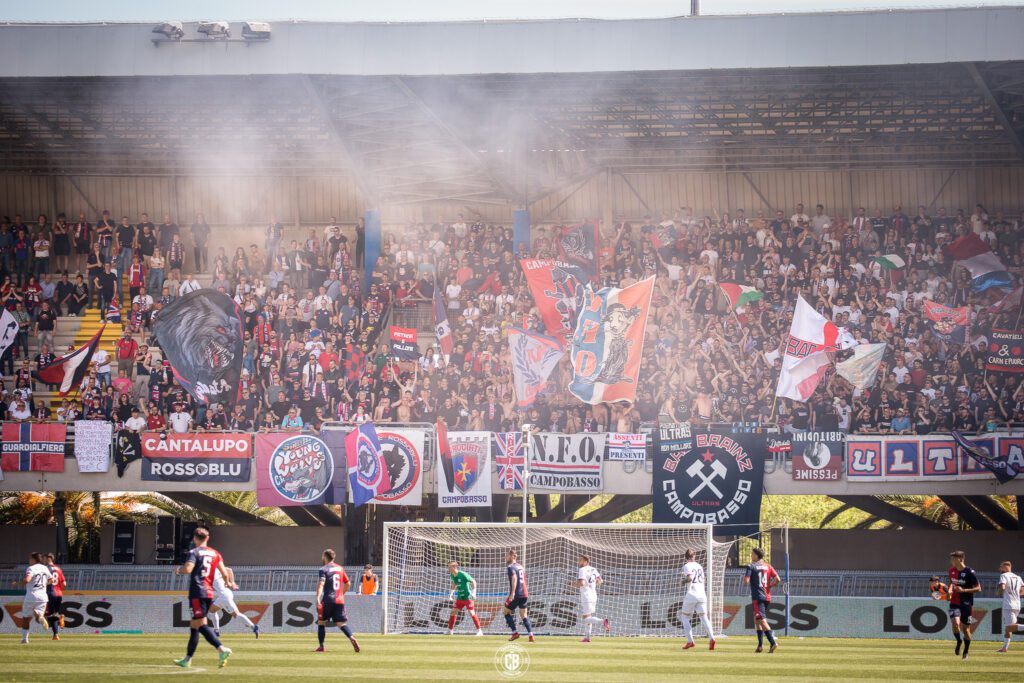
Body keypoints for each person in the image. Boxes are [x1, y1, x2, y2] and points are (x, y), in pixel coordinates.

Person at [173, 527, 232, 669]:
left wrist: (178, 570)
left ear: (194, 538)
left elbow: (188, 569)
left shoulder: (194, 552)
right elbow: (225, 573)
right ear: (207, 538)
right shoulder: (215, 553)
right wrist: (227, 583)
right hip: (208, 593)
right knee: (194, 626)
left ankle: (222, 649)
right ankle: (187, 659)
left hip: (197, 593)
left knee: (200, 625)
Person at [314, 548, 360, 653]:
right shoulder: (340, 568)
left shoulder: (323, 569)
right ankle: (351, 637)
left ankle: (321, 646)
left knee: (321, 622)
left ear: (325, 556)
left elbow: (321, 584)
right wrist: (341, 594)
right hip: (339, 601)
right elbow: (348, 583)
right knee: (341, 623)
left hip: (327, 600)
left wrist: (317, 598)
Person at [208, 565, 260, 639]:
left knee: (236, 615)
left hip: (224, 596)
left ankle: (254, 627)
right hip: (226, 594)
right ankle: (216, 631)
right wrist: (232, 583)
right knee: (212, 610)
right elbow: (229, 570)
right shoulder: (216, 569)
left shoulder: (208, 571)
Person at [743, 547, 779, 653]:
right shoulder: (768, 566)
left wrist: (747, 579)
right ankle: (760, 646)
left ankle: (773, 642)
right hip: (767, 596)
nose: (751, 555)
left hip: (757, 597)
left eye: (752, 554)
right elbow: (777, 579)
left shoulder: (751, 566)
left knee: (762, 620)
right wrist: (770, 585)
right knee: (756, 619)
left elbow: (746, 582)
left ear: (756, 555)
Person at [11, 552, 52, 644]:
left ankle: (25, 639)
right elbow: (51, 580)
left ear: (34, 559)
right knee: (38, 618)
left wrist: (16, 584)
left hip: (31, 597)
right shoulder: (45, 568)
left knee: (26, 618)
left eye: (30, 558)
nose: (29, 560)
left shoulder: (31, 568)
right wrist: (42, 584)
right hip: (43, 597)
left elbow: (27, 580)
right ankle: (40, 618)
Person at [948, 550, 981, 660]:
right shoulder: (951, 570)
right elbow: (952, 583)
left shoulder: (970, 572)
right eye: (951, 558)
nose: (951, 561)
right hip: (954, 602)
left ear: (961, 559)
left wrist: (964, 590)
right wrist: (949, 591)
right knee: (955, 624)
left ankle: (966, 651)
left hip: (966, 603)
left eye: (954, 558)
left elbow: (978, 588)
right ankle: (959, 641)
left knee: (966, 630)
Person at [680, 548, 715, 650]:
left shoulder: (687, 566)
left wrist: (682, 581)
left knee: (684, 617)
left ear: (686, 557)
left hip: (692, 594)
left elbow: (690, 578)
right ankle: (712, 638)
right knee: (704, 617)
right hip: (702, 594)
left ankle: (690, 641)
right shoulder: (699, 566)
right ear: (694, 556)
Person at [575, 555, 609, 643]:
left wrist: (572, 584)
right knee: (588, 616)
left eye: (581, 560)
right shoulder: (594, 569)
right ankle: (587, 637)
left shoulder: (582, 570)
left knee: (586, 618)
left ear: (586, 562)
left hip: (586, 595)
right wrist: (593, 583)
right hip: (594, 595)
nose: (579, 562)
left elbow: (582, 583)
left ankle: (602, 621)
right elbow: (600, 581)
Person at [504, 549, 535, 642]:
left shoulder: (510, 567)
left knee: (506, 612)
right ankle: (531, 635)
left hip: (516, 594)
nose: (506, 557)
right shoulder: (520, 566)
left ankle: (515, 633)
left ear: (512, 556)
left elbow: (514, 578)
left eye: (508, 556)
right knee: (524, 615)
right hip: (524, 594)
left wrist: (513, 593)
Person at [446, 561, 483, 636]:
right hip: (460, 597)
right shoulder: (452, 575)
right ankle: (450, 630)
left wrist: (474, 593)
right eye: (448, 567)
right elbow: (454, 584)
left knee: (471, 613)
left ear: (455, 567)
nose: (449, 568)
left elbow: (473, 581)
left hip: (468, 597)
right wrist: (451, 594)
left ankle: (480, 631)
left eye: (450, 567)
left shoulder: (463, 574)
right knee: (453, 612)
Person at [997, 560, 1023, 653]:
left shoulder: (1003, 576)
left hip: (1008, 605)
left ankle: (1005, 648)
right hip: (1017, 604)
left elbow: (1002, 587)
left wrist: (999, 592)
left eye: (1001, 567)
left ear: (1006, 566)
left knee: (1009, 627)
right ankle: (1005, 648)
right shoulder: (1018, 577)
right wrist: (1015, 595)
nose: (1000, 569)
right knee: (1009, 628)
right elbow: (1022, 591)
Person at [44, 553, 67, 641]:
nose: (43, 560)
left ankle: (59, 618)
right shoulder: (59, 569)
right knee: (52, 614)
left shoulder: (45, 569)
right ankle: (55, 635)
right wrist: (58, 588)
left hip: (50, 593)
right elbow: (64, 584)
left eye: (45, 558)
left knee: (46, 615)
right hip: (59, 594)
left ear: (49, 558)